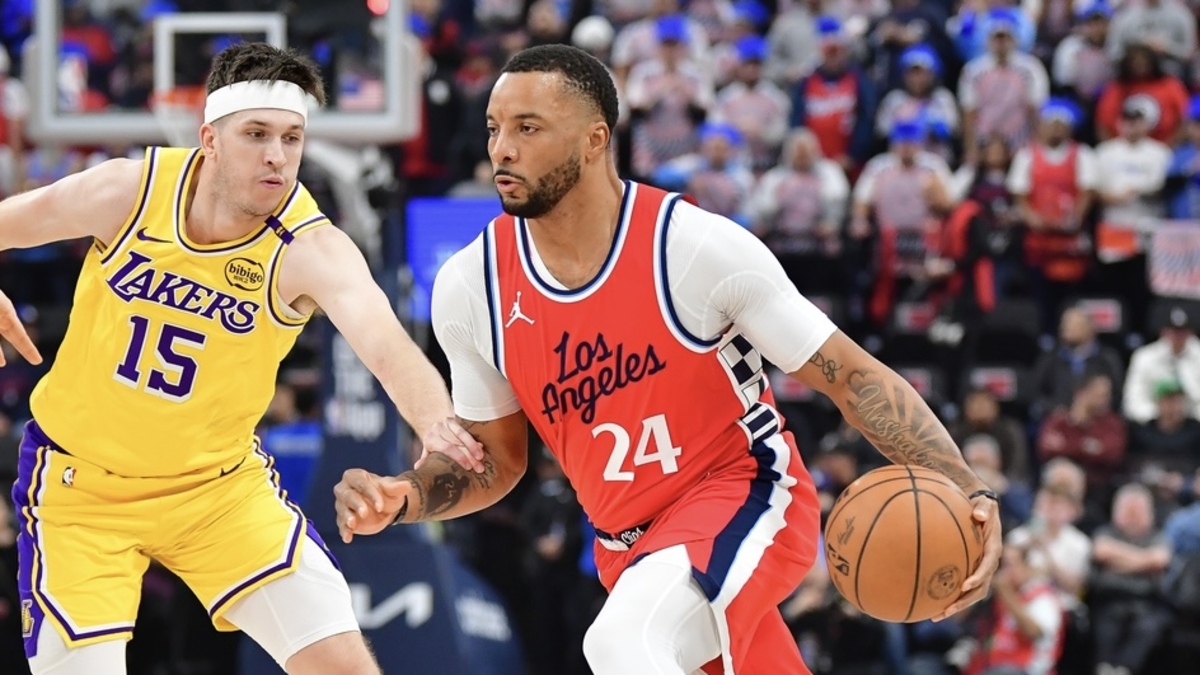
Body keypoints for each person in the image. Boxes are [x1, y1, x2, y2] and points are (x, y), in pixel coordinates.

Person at [334, 44, 1002, 675]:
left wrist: (968, 490)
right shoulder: (469, 285)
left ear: (596, 139)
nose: (501, 149)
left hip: (744, 494)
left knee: (623, 640)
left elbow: (854, 378)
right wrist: (410, 495)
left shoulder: (693, 249)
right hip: (628, 547)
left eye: (528, 127)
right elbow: (497, 460)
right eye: (494, 127)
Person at [0, 43, 479, 675]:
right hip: (79, 489)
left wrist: (441, 430)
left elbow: (391, 350)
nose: (277, 156)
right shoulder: (126, 191)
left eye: (292, 137)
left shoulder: (311, 249)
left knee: (344, 667)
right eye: (256, 134)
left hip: (216, 489)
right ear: (211, 139)